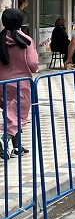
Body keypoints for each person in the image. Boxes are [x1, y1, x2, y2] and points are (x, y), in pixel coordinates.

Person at [0, 9, 39, 158]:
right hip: (21, 85)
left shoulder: (0, 38)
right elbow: (33, 64)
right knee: (19, 115)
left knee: (10, 112)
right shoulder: (26, 40)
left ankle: (17, 145)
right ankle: (5, 138)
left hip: (2, 84)